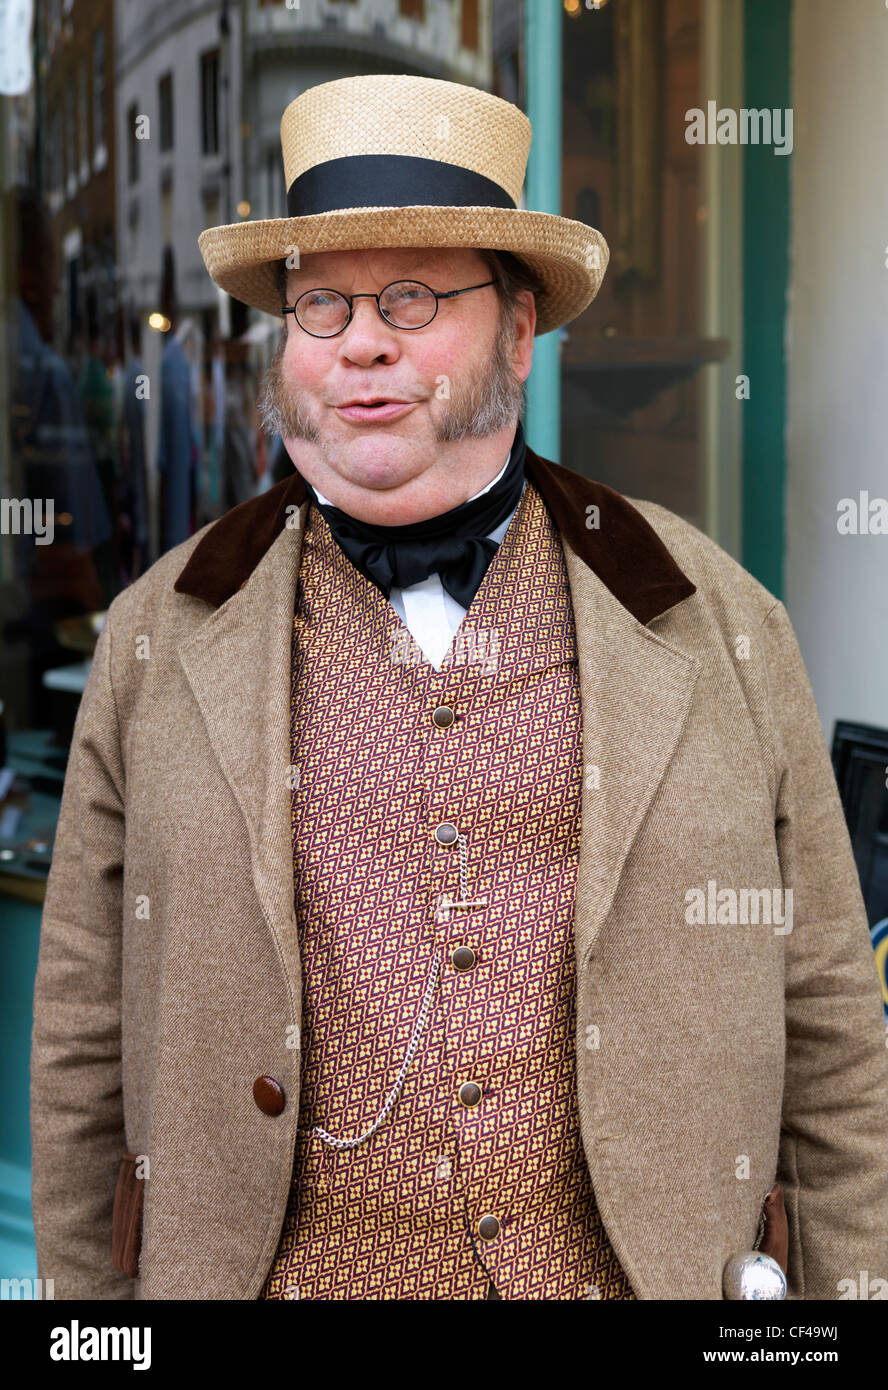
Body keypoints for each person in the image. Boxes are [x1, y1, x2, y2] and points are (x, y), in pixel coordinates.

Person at [30, 73, 888, 1301]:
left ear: (522, 331)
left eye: (414, 297)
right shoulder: (158, 636)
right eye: (320, 304)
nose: (361, 341)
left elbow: (832, 1034)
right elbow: (78, 1045)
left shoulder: (716, 620)